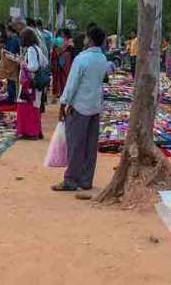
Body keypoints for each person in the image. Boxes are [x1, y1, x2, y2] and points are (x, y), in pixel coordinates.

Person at [53, 26, 109, 192]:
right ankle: (86, 179)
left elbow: (71, 85)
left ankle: (71, 180)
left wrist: (63, 105)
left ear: (89, 39)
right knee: (90, 147)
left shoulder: (82, 59)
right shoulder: (102, 59)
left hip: (80, 106)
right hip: (95, 106)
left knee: (76, 145)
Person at [15, 28, 49, 140]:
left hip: (29, 84)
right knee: (35, 107)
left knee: (26, 107)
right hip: (36, 84)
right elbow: (45, 62)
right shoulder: (37, 49)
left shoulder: (30, 50)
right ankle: (36, 131)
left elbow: (33, 66)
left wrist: (23, 63)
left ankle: (29, 132)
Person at [51, 28, 74, 101]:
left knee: (65, 77)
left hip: (66, 62)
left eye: (63, 34)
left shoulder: (70, 43)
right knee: (60, 77)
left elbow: (69, 52)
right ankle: (60, 92)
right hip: (61, 62)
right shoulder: (61, 41)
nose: (62, 35)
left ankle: (65, 93)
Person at [5, 25, 21, 104]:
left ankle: (11, 100)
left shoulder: (14, 40)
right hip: (16, 63)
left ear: (10, 31)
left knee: (11, 82)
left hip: (13, 64)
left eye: (7, 31)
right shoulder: (16, 39)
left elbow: (12, 53)